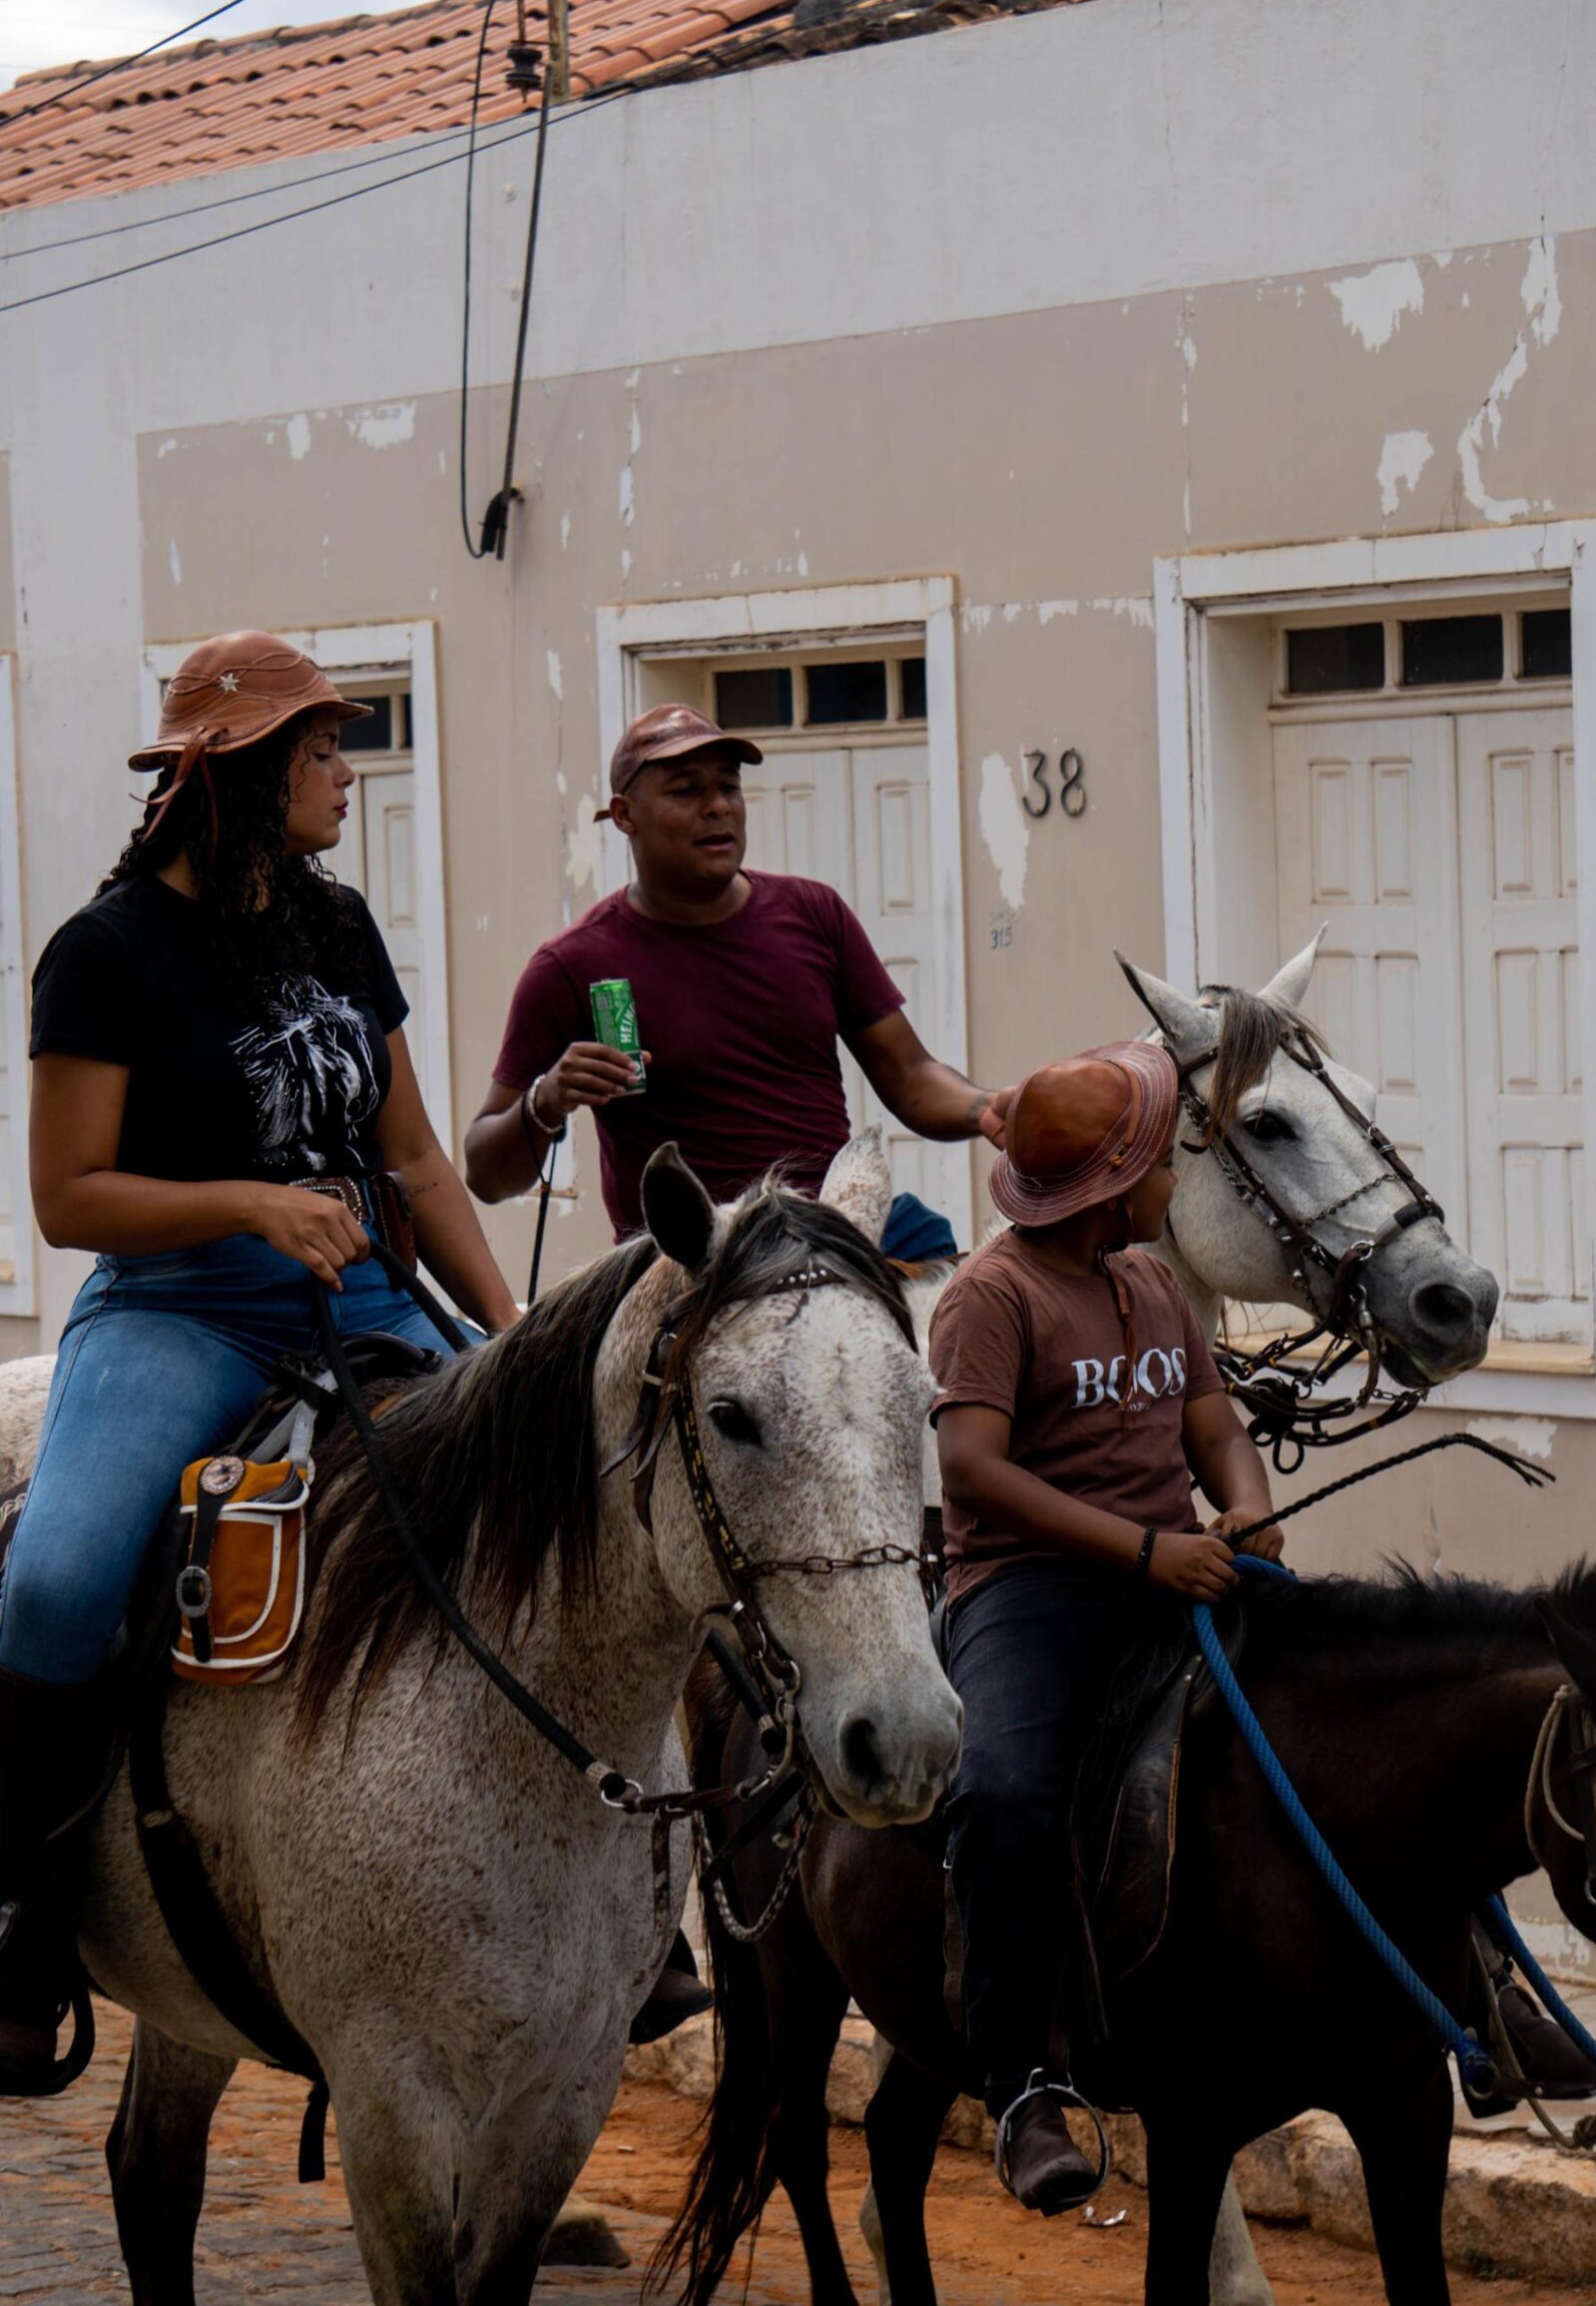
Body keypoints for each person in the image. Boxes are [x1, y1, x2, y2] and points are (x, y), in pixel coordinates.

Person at [0, 632, 522, 2093]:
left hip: (361, 1299)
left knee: (553, 1496)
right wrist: (249, 1204)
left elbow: (417, 1160)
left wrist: (508, 1339)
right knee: (52, 1585)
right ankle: (29, 1916)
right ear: (239, 772)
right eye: (321, 749)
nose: (346, 774)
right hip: (181, 1309)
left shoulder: (336, 924)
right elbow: (66, 1198)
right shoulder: (105, 952)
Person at [927, 1041, 1285, 2214]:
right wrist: (1143, 1549)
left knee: (1368, 1693)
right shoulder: (990, 1295)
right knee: (1004, 1793)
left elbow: (1213, 1423)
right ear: (1113, 1187)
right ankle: (1024, 2082)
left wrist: (1247, 1505)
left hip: (1177, 1567)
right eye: (1163, 1163)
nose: (1175, 1180)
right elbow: (973, 1471)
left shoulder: (1156, 1285)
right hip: (1031, 1590)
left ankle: (1482, 1989)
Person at [464, 704, 1013, 1248]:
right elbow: (486, 1175)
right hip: (691, 1260)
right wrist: (546, 1099)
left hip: (830, 1232)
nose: (718, 807)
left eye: (729, 787)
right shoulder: (571, 966)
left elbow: (910, 1074)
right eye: (686, 791)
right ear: (625, 815)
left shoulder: (815, 914)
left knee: (952, 1268)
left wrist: (986, 1108)